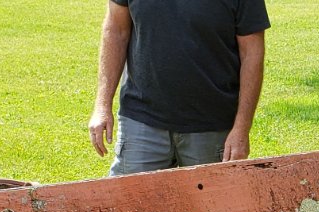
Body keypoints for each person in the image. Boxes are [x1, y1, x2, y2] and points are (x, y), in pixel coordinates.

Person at [88, 0, 269, 174]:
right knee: (131, 195)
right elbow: (115, 30)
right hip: (142, 119)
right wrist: (102, 105)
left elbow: (251, 54)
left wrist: (241, 128)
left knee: (212, 196)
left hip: (211, 125)